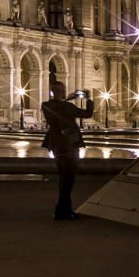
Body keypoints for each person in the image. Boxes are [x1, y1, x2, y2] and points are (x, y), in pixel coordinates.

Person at [42, 81, 95, 220]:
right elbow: (88, 114)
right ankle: (63, 211)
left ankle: (63, 209)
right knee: (68, 179)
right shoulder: (68, 107)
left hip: (55, 145)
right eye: (63, 90)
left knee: (63, 177)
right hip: (69, 145)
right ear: (61, 92)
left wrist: (67, 99)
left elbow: (57, 106)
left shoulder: (46, 105)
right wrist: (88, 98)